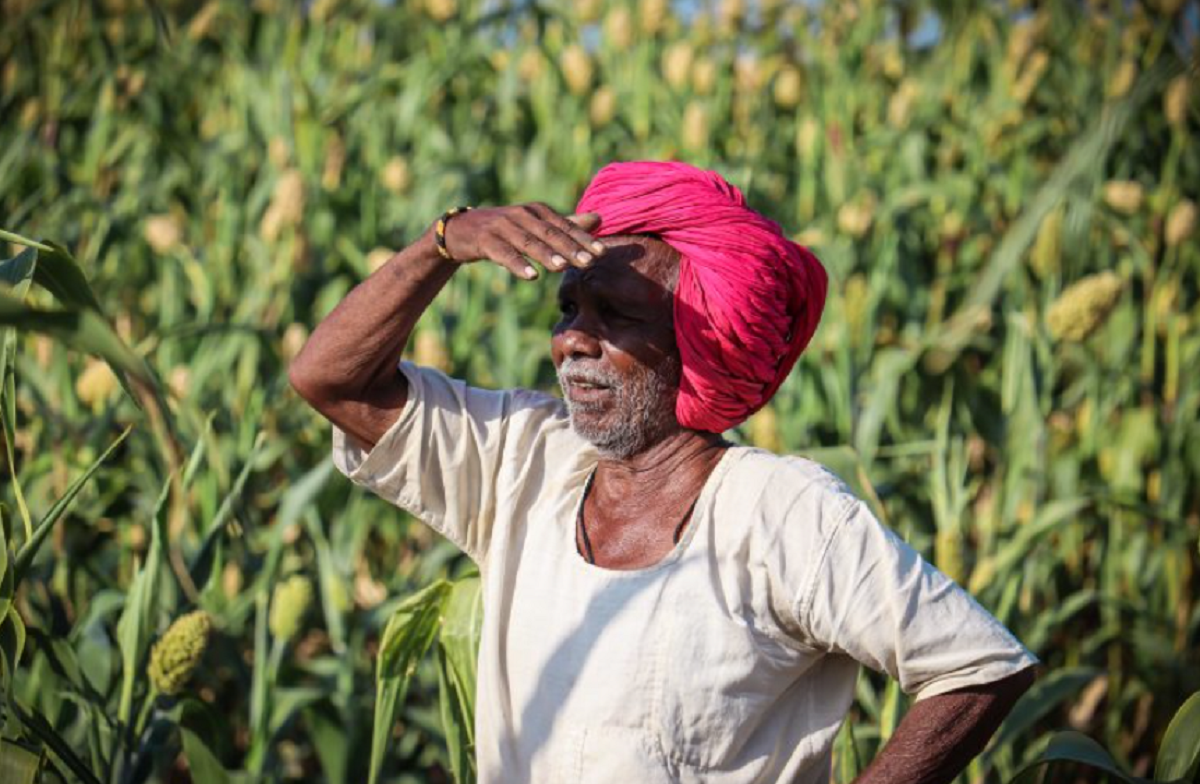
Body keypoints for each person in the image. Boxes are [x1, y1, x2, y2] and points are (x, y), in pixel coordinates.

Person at [289, 160, 1038, 784]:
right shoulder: (523, 459)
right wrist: (445, 241)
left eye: (614, 314)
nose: (571, 342)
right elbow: (333, 381)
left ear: (694, 343)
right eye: (567, 307)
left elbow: (978, 669)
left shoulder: (779, 513)